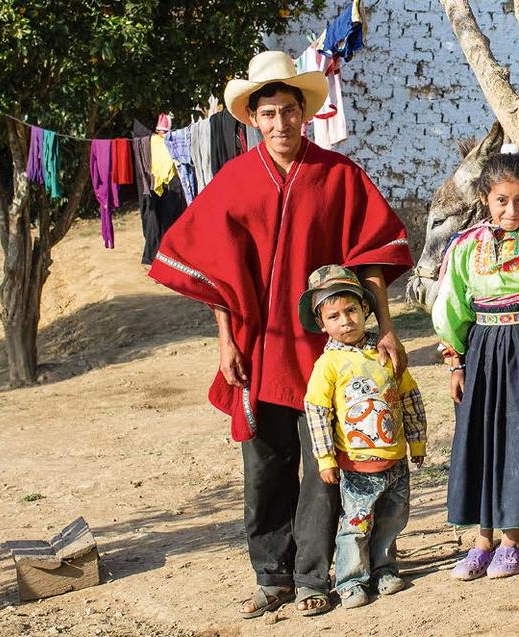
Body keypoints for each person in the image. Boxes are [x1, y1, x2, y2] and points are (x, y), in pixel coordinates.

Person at [148, 50, 413, 618]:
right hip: (259, 348)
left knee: (324, 464)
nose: (279, 124)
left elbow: (371, 256)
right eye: (267, 114)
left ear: (305, 113)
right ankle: (272, 576)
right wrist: (226, 343)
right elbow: (217, 271)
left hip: (328, 353)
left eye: (288, 111)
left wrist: (385, 328)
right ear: (253, 118)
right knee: (265, 467)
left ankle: (314, 576)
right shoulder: (235, 180)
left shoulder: (339, 176)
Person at [432, 147, 519, 580]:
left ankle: (513, 542)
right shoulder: (464, 246)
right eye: (501, 201)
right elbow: (452, 303)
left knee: (517, 439)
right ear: (485, 199)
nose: (511, 210)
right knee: (482, 440)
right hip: (481, 351)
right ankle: (481, 541)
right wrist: (456, 361)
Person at [300, 265, 427, 609]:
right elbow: (317, 412)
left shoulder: (385, 354)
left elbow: (409, 397)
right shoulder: (328, 364)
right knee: (356, 525)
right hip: (356, 466)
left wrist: (416, 441)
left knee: (392, 518)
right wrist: (325, 459)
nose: (345, 321)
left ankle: (384, 569)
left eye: (352, 311)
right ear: (322, 323)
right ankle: (351, 580)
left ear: (366, 310)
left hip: (395, 460)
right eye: (334, 316)